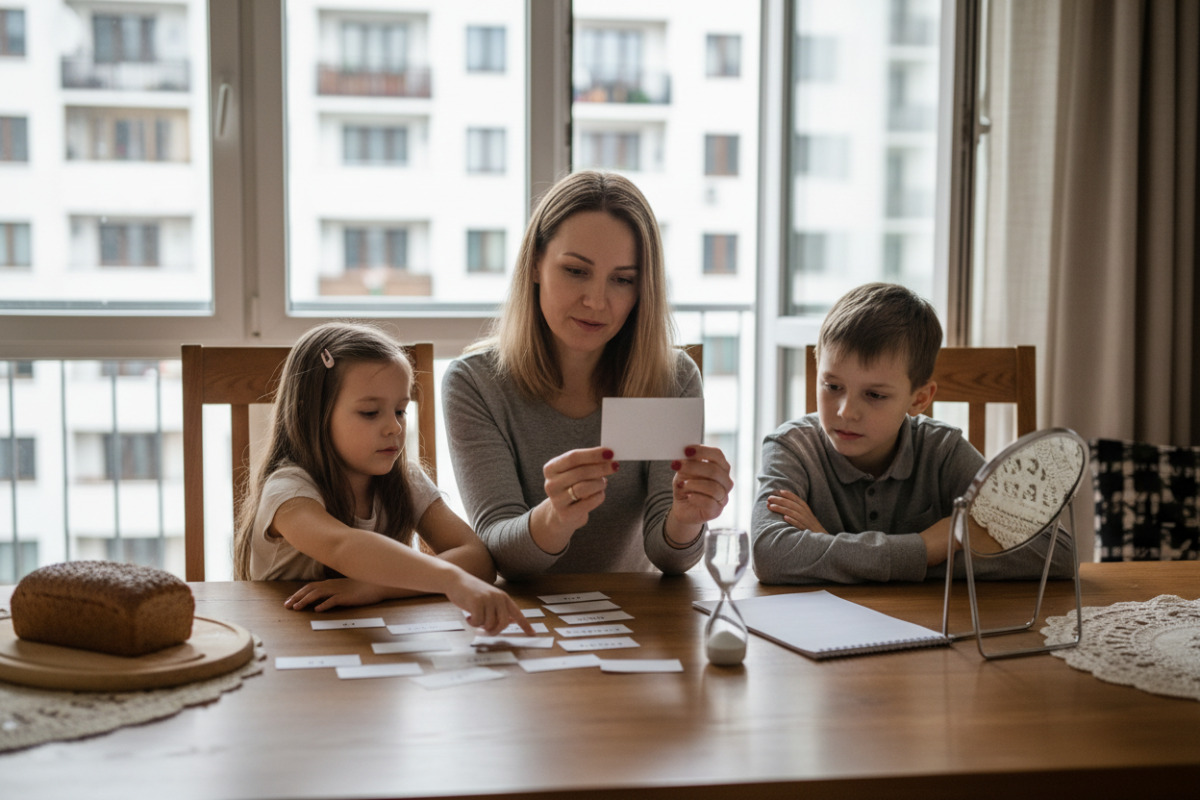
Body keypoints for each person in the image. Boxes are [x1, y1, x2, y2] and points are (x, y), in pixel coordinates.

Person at [442, 170, 734, 578]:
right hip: (526, 616)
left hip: (638, 620)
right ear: (535, 265)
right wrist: (555, 517)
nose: (597, 301)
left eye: (622, 280)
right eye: (576, 271)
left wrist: (688, 517)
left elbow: (670, 558)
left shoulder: (672, 378)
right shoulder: (475, 384)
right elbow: (499, 556)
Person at [751, 282, 1073, 584]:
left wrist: (826, 547)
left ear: (919, 399)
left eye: (874, 395)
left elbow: (1056, 551)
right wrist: (930, 546)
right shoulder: (792, 448)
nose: (846, 411)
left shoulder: (942, 450)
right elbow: (769, 555)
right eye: (833, 386)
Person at [233, 321, 532, 635]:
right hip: (292, 645)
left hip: (368, 640)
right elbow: (343, 546)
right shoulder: (287, 490)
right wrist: (450, 578)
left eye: (400, 410)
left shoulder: (405, 479)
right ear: (313, 414)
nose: (394, 427)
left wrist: (374, 587)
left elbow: (478, 560)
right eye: (370, 413)